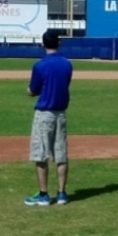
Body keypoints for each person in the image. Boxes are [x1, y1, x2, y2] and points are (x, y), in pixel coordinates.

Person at [24, 31, 73, 206]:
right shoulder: (67, 64)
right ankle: (62, 193)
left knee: (41, 154)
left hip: (44, 113)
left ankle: (44, 195)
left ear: (43, 44)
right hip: (61, 113)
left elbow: (33, 89)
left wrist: (29, 91)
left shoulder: (40, 65)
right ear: (59, 43)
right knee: (61, 154)